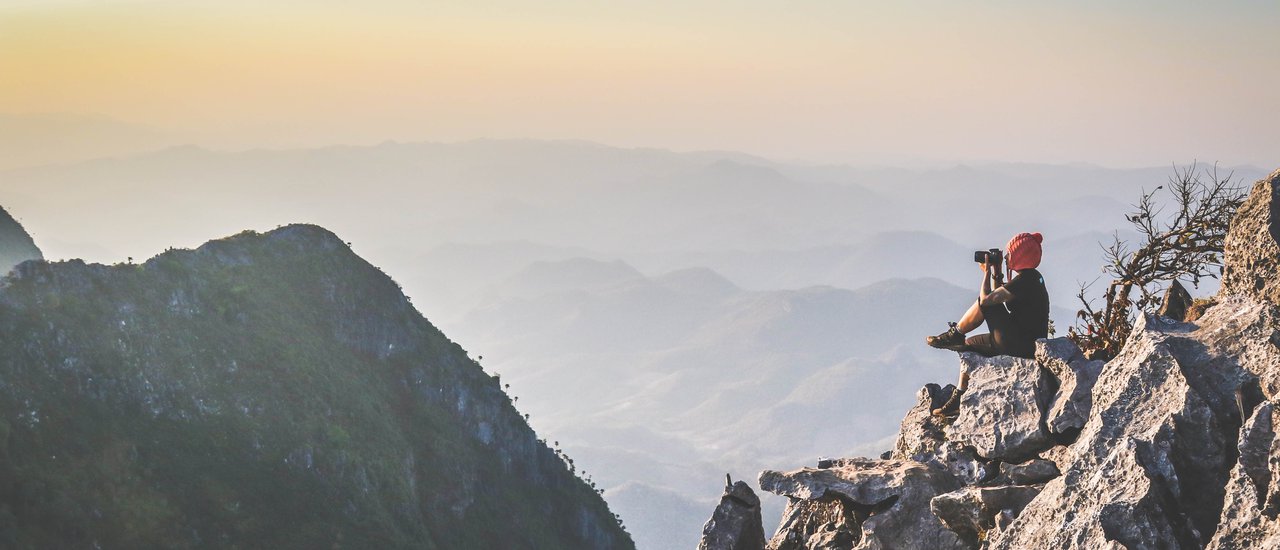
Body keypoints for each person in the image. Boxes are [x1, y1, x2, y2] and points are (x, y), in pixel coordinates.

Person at [925, 232, 1050, 415]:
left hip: (1019, 345)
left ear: (1019, 256)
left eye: (1009, 254)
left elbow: (988, 300)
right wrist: (997, 273)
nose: (1006, 257)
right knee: (967, 347)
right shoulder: (1031, 278)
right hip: (1022, 341)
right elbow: (1002, 294)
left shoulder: (1025, 280)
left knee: (985, 304)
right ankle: (959, 396)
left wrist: (986, 274)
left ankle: (956, 333)